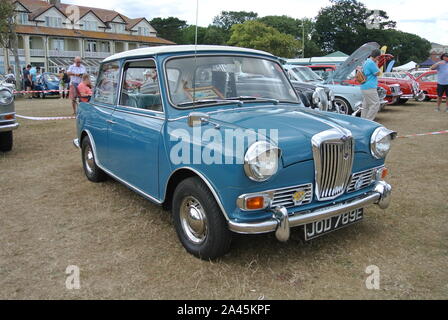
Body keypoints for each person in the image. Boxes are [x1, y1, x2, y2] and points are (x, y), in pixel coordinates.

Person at [360, 49, 382, 120]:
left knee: (365, 106)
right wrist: (377, 64)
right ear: (377, 56)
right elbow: (378, 73)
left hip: (364, 86)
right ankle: (369, 121)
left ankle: (363, 121)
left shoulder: (366, 62)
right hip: (370, 87)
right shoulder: (371, 63)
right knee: (376, 104)